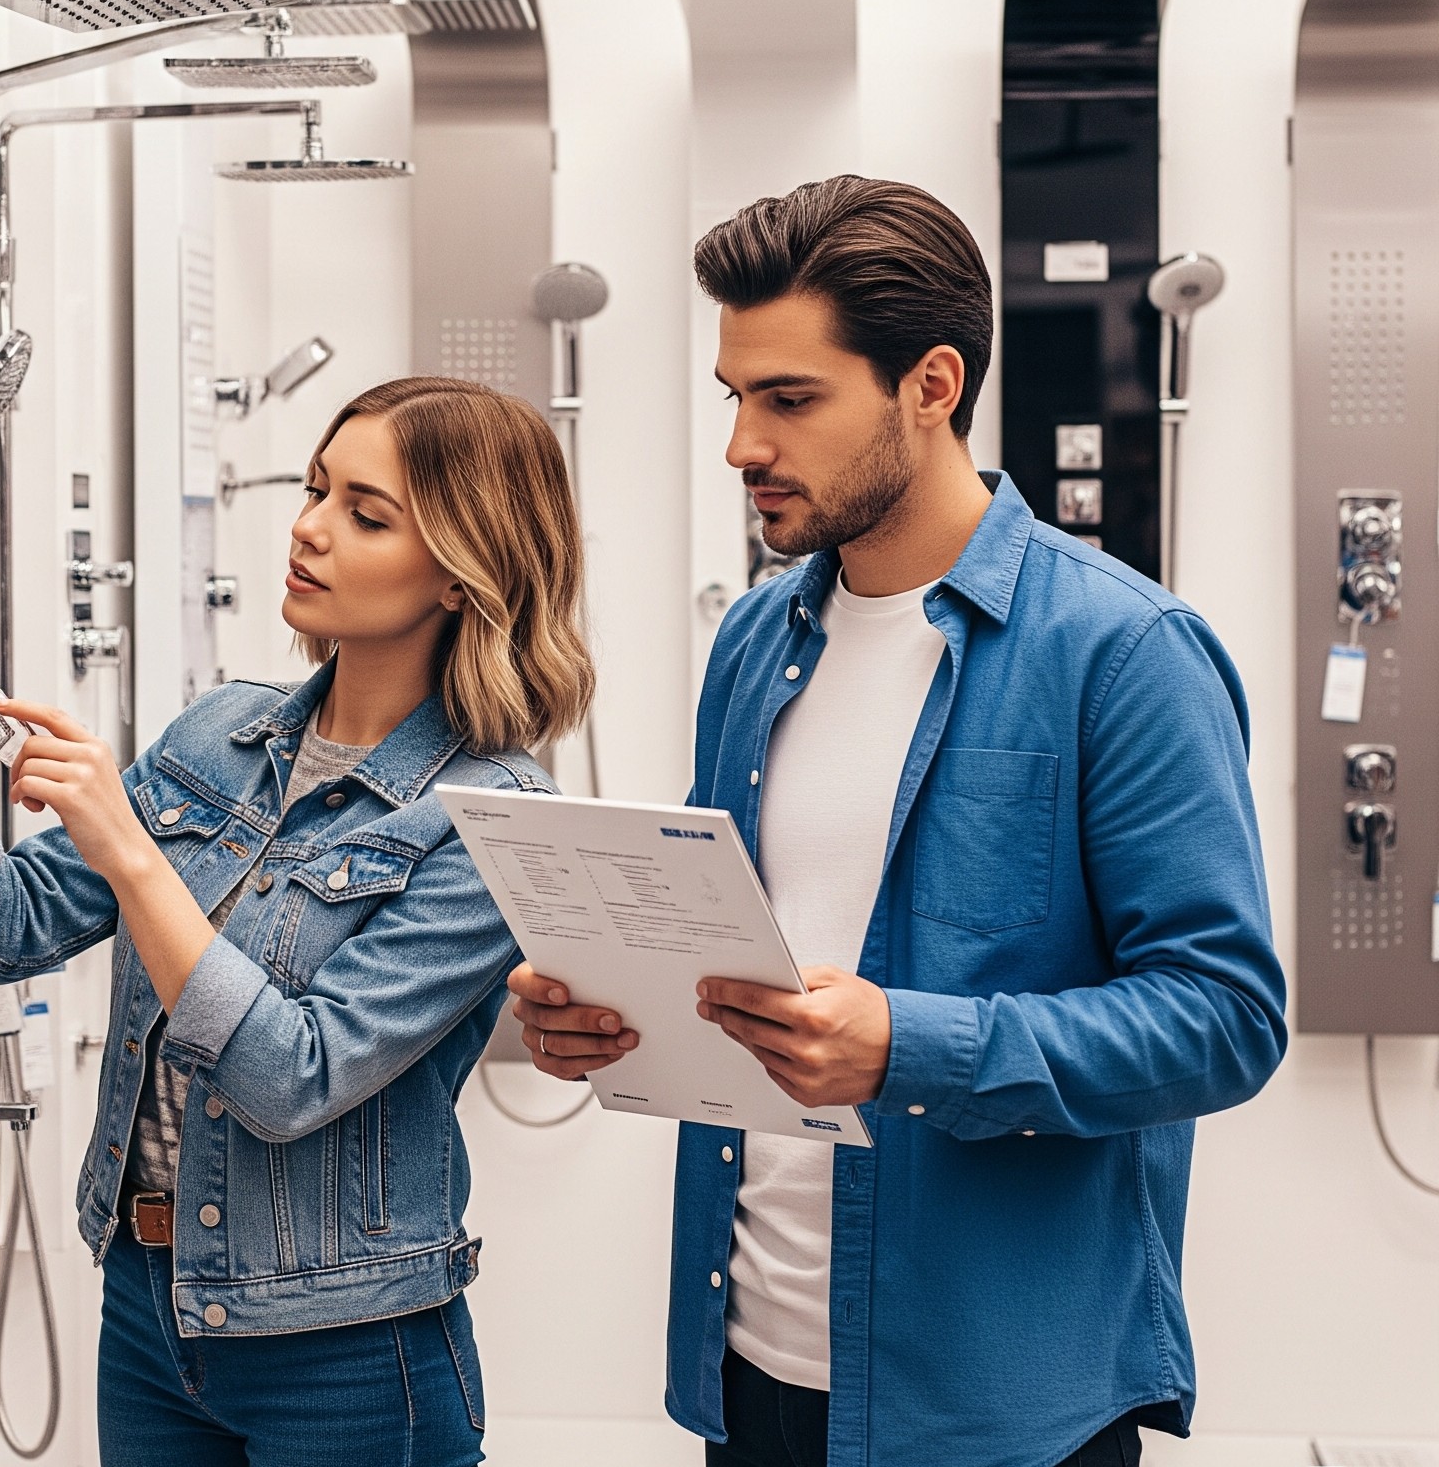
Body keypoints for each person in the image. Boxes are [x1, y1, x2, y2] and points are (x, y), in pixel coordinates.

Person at [509, 176, 1287, 1467]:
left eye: (790, 398)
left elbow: (1225, 1016)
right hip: (749, 1363)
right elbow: (743, 947)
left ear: (932, 383)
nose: (742, 445)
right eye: (737, 396)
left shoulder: (1125, 651)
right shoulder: (759, 637)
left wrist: (906, 1044)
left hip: (998, 1405)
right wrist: (604, 1005)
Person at [0, 374, 592, 1467]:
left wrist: (129, 849)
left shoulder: (488, 820)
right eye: (318, 488)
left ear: (464, 576)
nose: (309, 526)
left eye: (364, 515)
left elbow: (295, 1075)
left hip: (346, 1347)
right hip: (149, 1303)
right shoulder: (221, 732)